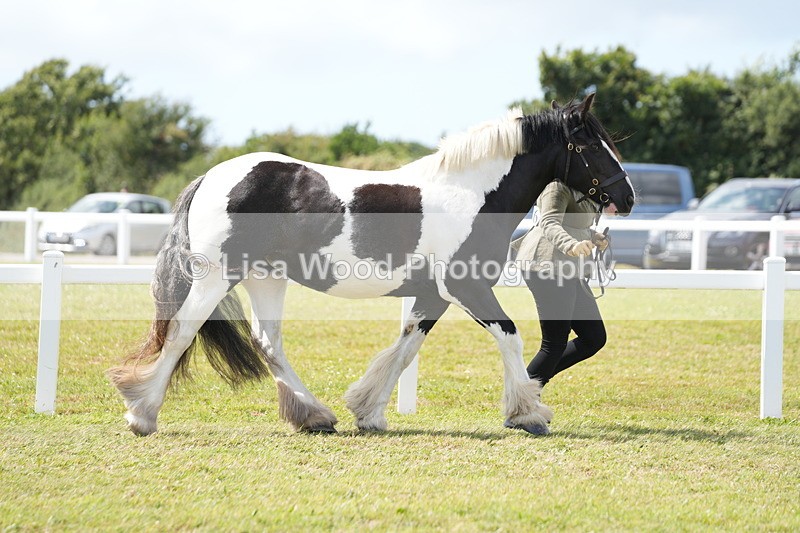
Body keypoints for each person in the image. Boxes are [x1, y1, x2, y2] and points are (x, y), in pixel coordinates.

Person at [513, 180, 614, 391]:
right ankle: (522, 399)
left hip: (568, 267)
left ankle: (525, 387)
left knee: (593, 337)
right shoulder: (556, 186)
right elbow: (549, 222)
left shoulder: (581, 183)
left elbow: (572, 223)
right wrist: (572, 245)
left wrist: (593, 236)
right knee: (554, 343)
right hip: (546, 264)